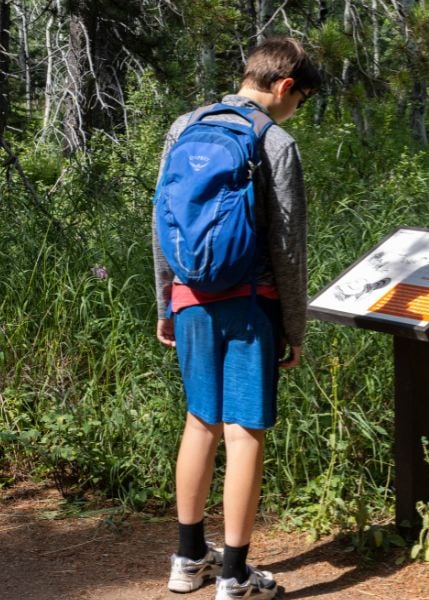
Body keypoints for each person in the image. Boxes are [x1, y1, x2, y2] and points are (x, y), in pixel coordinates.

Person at [152, 37, 320, 600]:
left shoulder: (184, 127)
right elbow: (289, 249)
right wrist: (293, 328)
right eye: (300, 99)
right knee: (243, 431)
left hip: (191, 297)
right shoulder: (274, 141)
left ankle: (187, 556)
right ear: (283, 86)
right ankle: (234, 575)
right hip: (252, 302)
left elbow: (164, 222)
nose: (296, 109)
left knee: (200, 421)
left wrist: (167, 302)